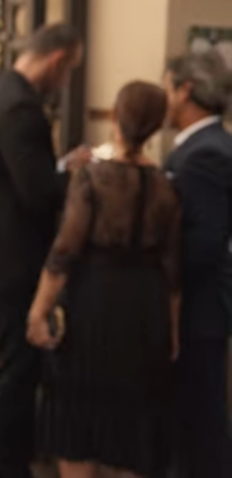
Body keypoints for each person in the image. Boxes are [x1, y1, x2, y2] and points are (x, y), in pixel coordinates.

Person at [26, 82, 181, 477]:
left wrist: (39, 312)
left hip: (93, 305)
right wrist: (173, 330)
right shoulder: (167, 186)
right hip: (146, 310)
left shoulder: (93, 179)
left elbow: (64, 251)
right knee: (133, 425)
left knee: (78, 421)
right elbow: (172, 267)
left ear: (114, 116)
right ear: (157, 126)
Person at [0, 23, 90, 478]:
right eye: (69, 71)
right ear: (57, 61)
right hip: (10, 261)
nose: (66, 81)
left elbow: (19, 178)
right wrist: (76, 175)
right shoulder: (20, 107)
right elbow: (37, 192)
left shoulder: (1, 92)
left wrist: (59, 166)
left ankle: (10, 464)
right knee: (17, 373)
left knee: (16, 368)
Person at [163, 50, 232, 478]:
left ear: (185, 90)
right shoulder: (207, 147)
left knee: (200, 422)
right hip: (201, 309)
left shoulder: (205, 154)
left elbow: (203, 245)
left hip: (198, 311)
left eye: (168, 87)